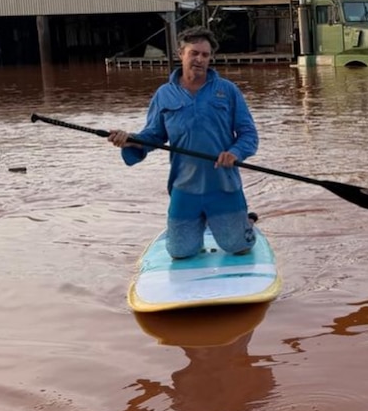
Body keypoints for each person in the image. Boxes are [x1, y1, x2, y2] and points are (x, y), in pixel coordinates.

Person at [108, 26, 259, 259]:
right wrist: (130, 141)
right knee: (180, 253)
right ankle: (203, 225)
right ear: (181, 54)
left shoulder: (227, 91)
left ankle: (245, 222)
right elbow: (154, 136)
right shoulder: (164, 94)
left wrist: (235, 152)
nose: (199, 59)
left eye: (205, 55)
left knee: (239, 247)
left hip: (223, 185)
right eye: (194, 53)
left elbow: (249, 134)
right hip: (184, 186)